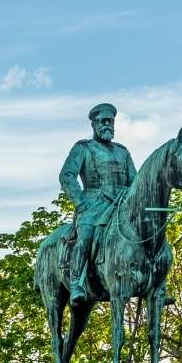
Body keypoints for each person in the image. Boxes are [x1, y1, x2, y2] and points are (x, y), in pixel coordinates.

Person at [58, 103, 137, 306]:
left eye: (110, 121)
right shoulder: (83, 148)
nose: (107, 125)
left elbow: (135, 182)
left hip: (122, 204)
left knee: (146, 232)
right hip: (94, 204)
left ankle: (157, 284)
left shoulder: (123, 152)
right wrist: (80, 202)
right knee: (86, 236)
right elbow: (67, 175)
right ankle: (76, 282)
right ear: (93, 124)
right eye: (103, 121)